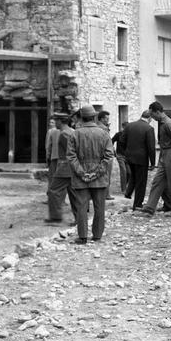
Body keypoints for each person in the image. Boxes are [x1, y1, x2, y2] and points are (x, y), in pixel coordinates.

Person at [67, 104, 115, 244]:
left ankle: (82, 236)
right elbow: (108, 156)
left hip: (80, 177)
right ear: (94, 117)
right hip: (99, 178)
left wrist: (82, 173)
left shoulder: (75, 134)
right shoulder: (104, 133)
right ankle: (97, 235)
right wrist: (96, 173)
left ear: (81, 117)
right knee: (100, 207)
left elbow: (71, 156)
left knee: (81, 207)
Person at [138, 103, 171, 218]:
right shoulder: (162, 123)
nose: (151, 117)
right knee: (157, 181)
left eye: (152, 114)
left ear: (157, 112)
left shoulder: (168, 124)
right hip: (165, 154)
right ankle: (149, 208)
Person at [45, 113, 78, 224]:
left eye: (56, 121)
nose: (55, 123)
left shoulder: (64, 134)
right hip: (72, 168)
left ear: (60, 121)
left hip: (64, 167)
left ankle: (55, 216)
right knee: (73, 194)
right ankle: (79, 219)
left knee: (53, 191)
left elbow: (70, 152)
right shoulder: (72, 132)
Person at [121, 111, 156, 211]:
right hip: (141, 158)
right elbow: (151, 147)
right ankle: (137, 203)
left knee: (134, 176)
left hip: (129, 157)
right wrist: (152, 162)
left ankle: (128, 194)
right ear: (149, 118)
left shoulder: (129, 126)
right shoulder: (149, 128)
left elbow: (122, 140)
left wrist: (126, 152)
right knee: (141, 181)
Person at [97, 110, 114, 201]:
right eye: (106, 118)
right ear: (102, 119)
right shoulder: (104, 128)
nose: (107, 120)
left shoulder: (97, 127)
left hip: (98, 154)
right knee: (107, 174)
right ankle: (107, 194)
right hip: (105, 154)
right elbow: (107, 142)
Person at [112, 121, 130, 194]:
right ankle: (124, 189)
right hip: (120, 155)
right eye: (125, 128)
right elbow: (111, 141)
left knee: (129, 172)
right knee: (123, 171)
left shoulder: (130, 135)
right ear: (123, 127)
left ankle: (126, 185)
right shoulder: (118, 134)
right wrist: (113, 151)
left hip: (128, 156)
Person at [45, 117, 60, 189]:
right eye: (50, 122)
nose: (50, 124)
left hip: (54, 156)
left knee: (52, 176)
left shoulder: (51, 131)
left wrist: (47, 155)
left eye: (52, 122)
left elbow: (48, 145)